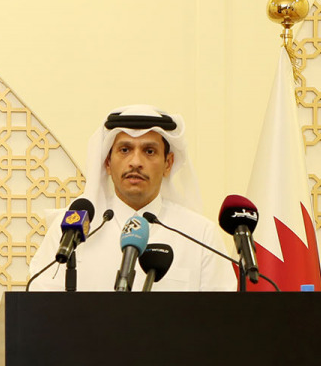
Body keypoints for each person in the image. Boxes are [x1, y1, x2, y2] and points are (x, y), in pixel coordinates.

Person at [28, 105, 236, 292]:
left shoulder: (200, 235)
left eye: (149, 151)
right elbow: (39, 307)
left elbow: (221, 318)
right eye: (125, 150)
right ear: (108, 162)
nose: (135, 162)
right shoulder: (70, 232)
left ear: (168, 163)